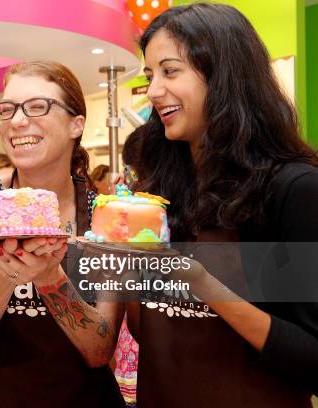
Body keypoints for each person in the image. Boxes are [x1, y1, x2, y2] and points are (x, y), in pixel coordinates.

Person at [125, 3, 318, 407]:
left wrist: (205, 285)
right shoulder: (162, 192)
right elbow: (152, 333)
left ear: (223, 74)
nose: (154, 91)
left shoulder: (294, 189)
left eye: (170, 70)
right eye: (149, 75)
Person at [0, 60, 125, 407]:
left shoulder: (104, 213)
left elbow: (100, 349)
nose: (17, 120)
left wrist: (49, 277)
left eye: (38, 106)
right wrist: (7, 268)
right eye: (7, 109)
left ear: (77, 124)